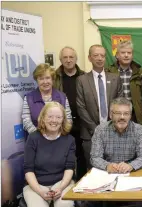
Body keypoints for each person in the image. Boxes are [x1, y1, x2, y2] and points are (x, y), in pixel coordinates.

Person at [76, 44, 123, 168]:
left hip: (114, 132)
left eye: (102, 55)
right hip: (90, 134)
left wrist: (111, 127)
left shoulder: (115, 78)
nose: (100, 58)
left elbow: (120, 105)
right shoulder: (82, 80)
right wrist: (95, 129)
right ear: (89, 58)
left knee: (114, 168)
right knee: (93, 170)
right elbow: (81, 107)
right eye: (96, 55)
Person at [23, 102, 76, 207]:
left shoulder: (70, 140)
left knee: (64, 205)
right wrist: (40, 191)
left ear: (63, 120)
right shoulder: (33, 138)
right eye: (50, 116)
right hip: (36, 185)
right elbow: (28, 170)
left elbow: (70, 168)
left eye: (58, 117)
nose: (54, 120)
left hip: (62, 183)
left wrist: (60, 188)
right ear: (43, 118)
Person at [54, 46, 86, 180]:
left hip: (82, 123)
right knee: (64, 157)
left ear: (76, 59)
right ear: (60, 59)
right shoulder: (54, 77)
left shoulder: (84, 76)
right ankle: (67, 184)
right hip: (62, 124)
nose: (68, 60)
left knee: (82, 156)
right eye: (65, 57)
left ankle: (82, 185)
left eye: (71, 57)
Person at [91, 97, 142, 173]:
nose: (122, 117)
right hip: (108, 173)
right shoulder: (100, 130)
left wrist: (130, 166)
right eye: (118, 113)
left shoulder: (139, 130)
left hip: (131, 172)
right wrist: (107, 166)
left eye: (126, 113)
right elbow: (95, 157)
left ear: (130, 116)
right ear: (111, 115)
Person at [106, 40, 142, 127]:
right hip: (116, 115)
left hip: (135, 115)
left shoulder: (140, 72)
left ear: (132, 55)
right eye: (123, 52)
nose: (126, 55)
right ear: (117, 55)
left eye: (129, 52)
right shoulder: (109, 72)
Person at [22, 63, 72, 135]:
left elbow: (68, 120)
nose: (45, 82)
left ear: (52, 79)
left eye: (47, 78)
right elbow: (26, 121)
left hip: (59, 138)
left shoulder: (62, 97)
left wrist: (57, 135)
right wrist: (40, 137)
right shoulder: (29, 97)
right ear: (37, 80)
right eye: (41, 79)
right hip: (37, 141)